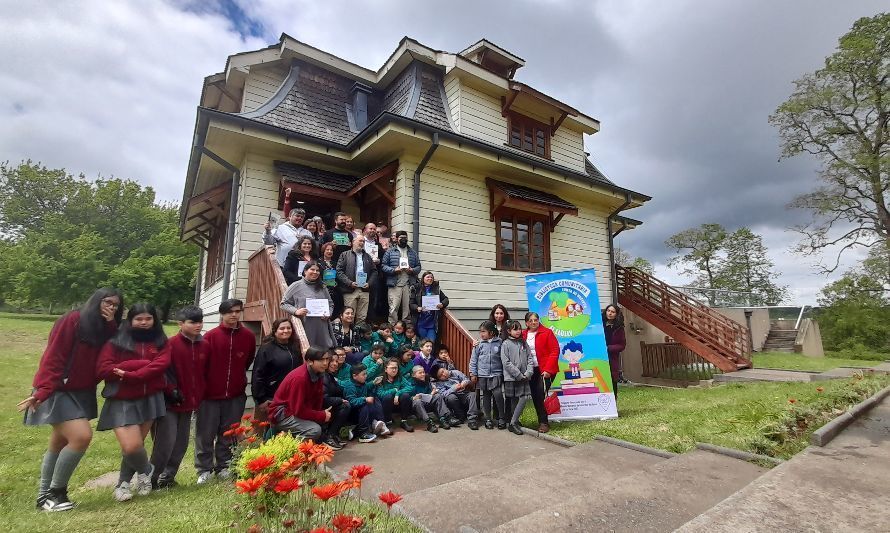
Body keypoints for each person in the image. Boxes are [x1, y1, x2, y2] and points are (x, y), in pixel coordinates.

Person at [20, 288, 123, 511]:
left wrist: (111, 325)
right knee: (81, 436)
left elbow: (114, 350)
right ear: (96, 301)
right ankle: (56, 493)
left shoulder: (106, 328)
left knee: (59, 442)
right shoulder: (73, 320)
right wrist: (43, 390)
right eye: (107, 302)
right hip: (58, 389)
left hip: (82, 391)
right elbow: (53, 355)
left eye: (116, 305)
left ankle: (43, 497)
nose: (111, 307)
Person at [95, 303, 171, 502]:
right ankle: (146, 470)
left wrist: (127, 373)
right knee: (131, 446)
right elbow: (103, 369)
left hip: (150, 398)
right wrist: (140, 367)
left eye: (148, 318)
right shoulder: (116, 341)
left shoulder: (161, 341)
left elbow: (161, 365)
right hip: (122, 399)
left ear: (154, 320)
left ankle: (122, 485)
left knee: (136, 446)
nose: (144, 323)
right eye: (139, 319)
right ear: (130, 320)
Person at [195, 299, 256, 484]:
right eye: (230, 312)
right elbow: (201, 365)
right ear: (222, 314)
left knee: (228, 433)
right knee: (205, 433)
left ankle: (224, 465)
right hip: (210, 395)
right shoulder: (210, 336)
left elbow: (247, 360)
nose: (234, 315)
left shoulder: (248, 337)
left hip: (235, 394)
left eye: (237, 311)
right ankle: (204, 469)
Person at [149, 305, 209, 490]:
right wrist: (171, 390)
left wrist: (199, 394)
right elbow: (161, 371)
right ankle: (151, 479)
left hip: (190, 402)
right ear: (180, 324)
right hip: (169, 402)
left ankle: (168, 477)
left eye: (200, 321)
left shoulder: (205, 346)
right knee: (165, 442)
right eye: (192, 322)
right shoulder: (169, 344)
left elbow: (204, 373)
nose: (198, 325)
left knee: (181, 442)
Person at [269, 347, 333, 442]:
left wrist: (321, 414)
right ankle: (289, 448)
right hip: (283, 414)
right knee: (314, 430)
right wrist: (321, 415)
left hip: (297, 410)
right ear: (309, 361)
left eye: (327, 359)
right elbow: (298, 410)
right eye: (321, 360)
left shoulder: (318, 372)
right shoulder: (300, 378)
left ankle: (321, 443)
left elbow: (317, 398)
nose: (325, 363)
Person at [251, 318, 303, 423]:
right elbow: (258, 374)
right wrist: (261, 399)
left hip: (291, 395)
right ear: (275, 331)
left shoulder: (294, 346)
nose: (286, 331)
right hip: (271, 396)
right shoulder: (267, 348)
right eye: (282, 328)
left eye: (288, 328)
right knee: (270, 427)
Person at [281, 261, 336, 349]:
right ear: (305, 271)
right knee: (307, 350)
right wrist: (296, 311)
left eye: (317, 270)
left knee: (324, 352)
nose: (315, 272)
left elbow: (330, 303)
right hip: (306, 326)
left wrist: (329, 313)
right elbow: (283, 304)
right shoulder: (296, 286)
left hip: (322, 326)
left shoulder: (322, 287)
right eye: (312, 269)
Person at [523, 312, 559, 433]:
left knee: (539, 393)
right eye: (530, 320)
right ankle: (541, 421)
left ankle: (544, 423)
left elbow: (555, 351)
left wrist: (548, 370)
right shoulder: (523, 334)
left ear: (538, 320)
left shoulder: (547, 332)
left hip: (545, 370)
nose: (533, 322)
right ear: (526, 323)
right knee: (535, 396)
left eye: (535, 320)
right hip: (531, 370)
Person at [500, 320, 535, 436]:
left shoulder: (524, 343)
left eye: (519, 329)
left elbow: (530, 358)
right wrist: (518, 374)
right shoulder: (505, 344)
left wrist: (529, 372)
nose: (518, 331)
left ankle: (513, 422)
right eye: (515, 329)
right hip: (512, 377)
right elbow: (506, 362)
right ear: (509, 331)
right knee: (515, 399)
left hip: (524, 377)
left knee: (524, 397)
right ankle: (514, 422)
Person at [469, 321, 505, 430]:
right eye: (480, 332)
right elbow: (473, 359)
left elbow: (503, 358)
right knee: (486, 396)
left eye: (483, 332)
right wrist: (473, 373)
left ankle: (501, 418)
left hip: (496, 374)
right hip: (483, 375)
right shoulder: (478, 344)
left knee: (498, 395)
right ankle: (488, 418)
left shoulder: (500, 343)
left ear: (491, 332)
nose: (481, 334)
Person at [381, 230, 421, 324]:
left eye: (405, 238)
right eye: (401, 238)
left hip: (408, 284)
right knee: (393, 307)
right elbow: (383, 266)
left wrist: (412, 270)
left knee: (407, 308)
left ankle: (407, 329)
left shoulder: (412, 252)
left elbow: (418, 266)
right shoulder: (390, 251)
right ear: (397, 239)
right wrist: (394, 270)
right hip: (394, 284)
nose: (404, 239)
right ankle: (392, 327)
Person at [341, 363, 388, 442]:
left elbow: (366, 386)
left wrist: (373, 383)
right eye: (363, 374)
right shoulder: (350, 386)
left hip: (362, 412)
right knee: (364, 406)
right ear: (354, 376)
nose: (366, 376)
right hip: (353, 413)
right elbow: (351, 401)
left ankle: (380, 423)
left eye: (366, 373)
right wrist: (364, 399)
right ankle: (363, 434)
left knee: (375, 399)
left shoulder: (361, 383)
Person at [336, 234, 376, 324]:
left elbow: (374, 272)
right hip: (350, 289)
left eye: (363, 241)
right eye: (360, 241)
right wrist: (349, 283)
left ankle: (359, 336)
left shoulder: (368, 256)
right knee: (349, 317)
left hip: (364, 289)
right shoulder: (345, 255)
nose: (362, 243)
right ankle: (349, 336)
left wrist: (369, 283)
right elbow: (339, 271)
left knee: (362, 317)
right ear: (353, 242)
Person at [321, 350, 351, 450]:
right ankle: (328, 437)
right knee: (345, 406)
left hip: (329, 405)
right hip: (320, 409)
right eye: (332, 361)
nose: (335, 364)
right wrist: (340, 400)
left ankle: (333, 435)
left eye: (336, 361)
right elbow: (323, 399)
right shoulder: (323, 376)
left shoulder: (330, 376)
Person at [407, 366, 450, 432]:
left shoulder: (426, 381)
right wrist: (413, 397)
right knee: (417, 401)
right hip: (416, 407)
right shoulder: (409, 384)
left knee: (438, 396)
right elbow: (407, 397)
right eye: (420, 373)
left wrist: (433, 392)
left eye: (423, 372)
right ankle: (429, 423)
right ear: (414, 375)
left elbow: (430, 395)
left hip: (427, 402)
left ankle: (443, 419)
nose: (423, 374)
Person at [376, 358, 414, 432]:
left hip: (398, 404)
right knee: (388, 397)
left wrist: (397, 393)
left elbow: (410, 387)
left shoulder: (400, 378)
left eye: (396, 368)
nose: (394, 370)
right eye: (392, 368)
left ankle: (404, 421)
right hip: (385, 406)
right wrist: (394, 390)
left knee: (405, 395)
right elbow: (380, 394)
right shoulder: (381, 379)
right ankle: (388, 422)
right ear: (385, 369)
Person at [413, 271, 448, 342]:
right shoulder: (417, 288)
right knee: (423, 342)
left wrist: (442, 304)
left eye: (431, 277)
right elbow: (411, 303)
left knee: (431, 342)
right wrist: (417, 307)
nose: (430, 278)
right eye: (428, 277)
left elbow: (446, 299)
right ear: (423, 278)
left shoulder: (436, 289)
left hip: (432, 322)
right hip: (421, 322)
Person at [603, 304, 627, 400]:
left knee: (612, 381)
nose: (610, 313)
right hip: (598, 357)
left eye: (613, 312)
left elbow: (622, 345)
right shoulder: (599, 324)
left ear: (616, 314)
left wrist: (608, 348)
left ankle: (613, 406)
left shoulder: (619, 328)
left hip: (611, 358)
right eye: (608, 311)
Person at [317, 241, 343, 319]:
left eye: (331, 250)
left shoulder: (336, 263)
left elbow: (339, 277)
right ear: (323, 251)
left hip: (334, 292)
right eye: (327, 250)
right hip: (322, 291)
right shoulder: (318, 263)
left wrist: (336, 283)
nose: (329, 251)